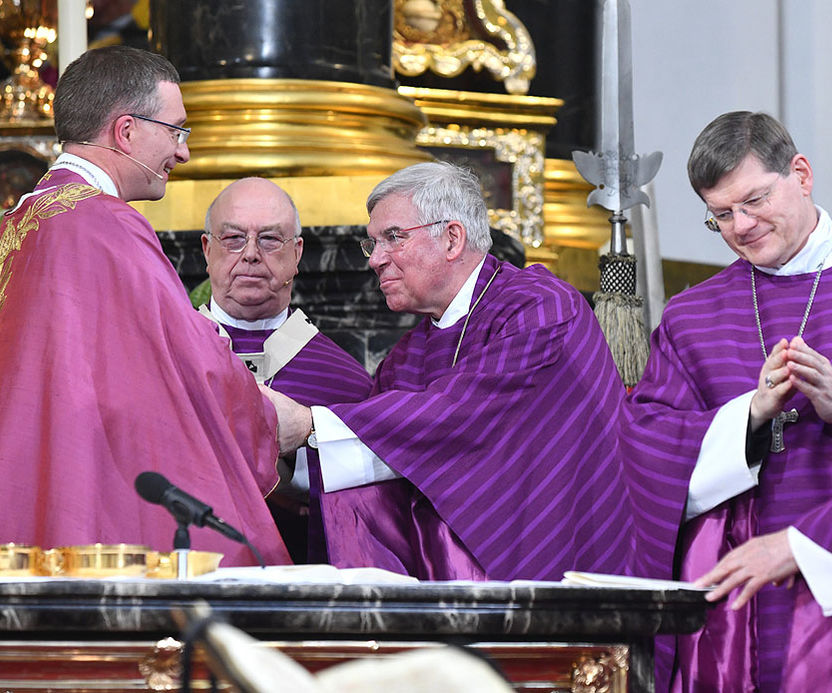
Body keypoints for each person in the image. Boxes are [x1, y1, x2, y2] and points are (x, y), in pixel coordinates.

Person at [618, 111, 832, 691]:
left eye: (755, 200)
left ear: (801, 175)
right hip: (744, 603)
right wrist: (749, 418)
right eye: (722, 215)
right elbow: (646, 448)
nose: (743, 225)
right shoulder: (691, 318)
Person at [261, 160, 633, 581]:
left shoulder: (541, 307)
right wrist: (278, 458)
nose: (375, 260)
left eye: (392, 238)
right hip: (444, 586)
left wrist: (309, 424)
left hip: (555, 560)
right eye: (373, 244)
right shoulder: (407, 355)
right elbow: (373, 458)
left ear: (452, 238)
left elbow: (464, 416)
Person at [0, 46, 291, 566]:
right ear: (126, 131)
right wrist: (268, 418)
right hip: (83, 492)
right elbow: (187, 357)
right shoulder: (105, 225)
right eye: (175, 131)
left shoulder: (16, 224)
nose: (182, 153)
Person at [198, 177, 373, 563]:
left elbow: (366, 507)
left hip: (302, 589)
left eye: (270, 239)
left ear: (297, 253)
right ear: (207, 250)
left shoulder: (345, 382)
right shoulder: (166, 356)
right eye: (232, 239)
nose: (250, 254)